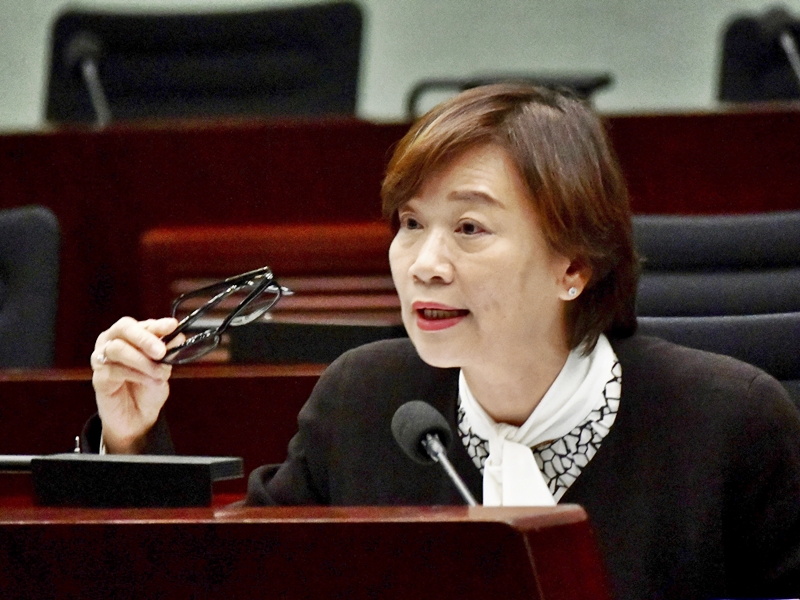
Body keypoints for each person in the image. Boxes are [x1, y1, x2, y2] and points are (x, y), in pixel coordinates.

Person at [87, 84, 800, 600]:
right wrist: (130, 440)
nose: (423, 263)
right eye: (410, 223)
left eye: (469, 228)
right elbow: (218, 577)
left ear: (573, 268)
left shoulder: (728, 424)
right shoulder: (365, 401)